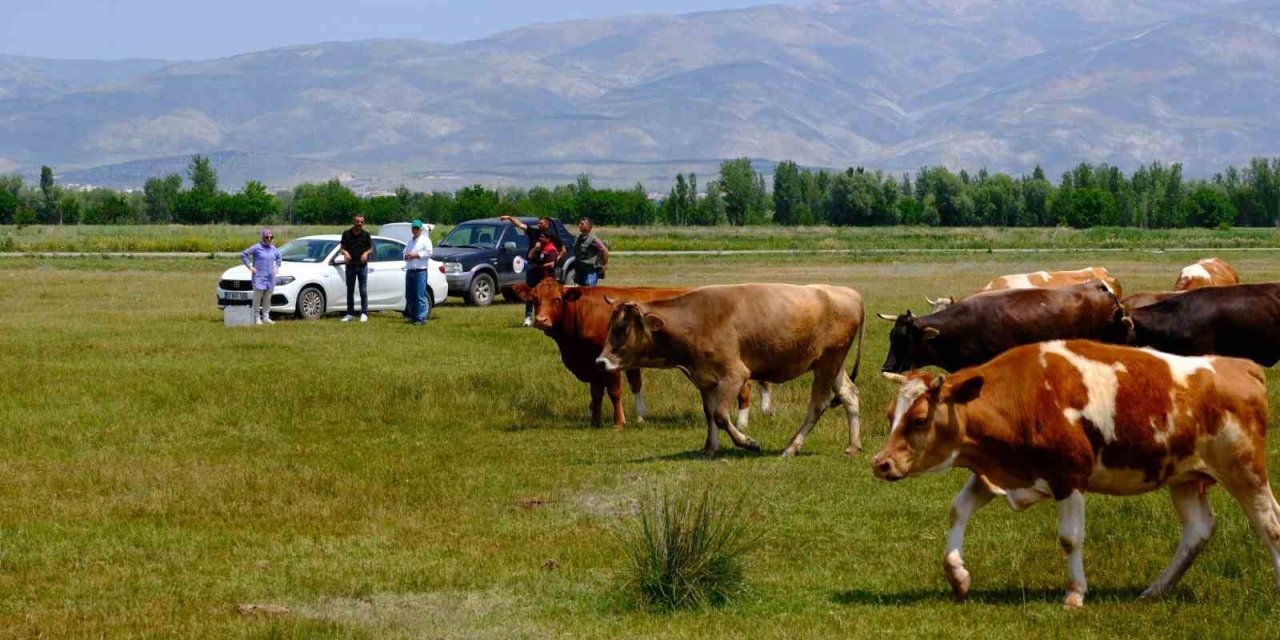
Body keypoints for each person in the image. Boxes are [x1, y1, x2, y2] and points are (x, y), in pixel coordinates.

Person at [499, 215, 561, 326]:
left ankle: (546, 317)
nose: (538, 225)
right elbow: (520, 225)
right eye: (538, 223)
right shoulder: (534, 232)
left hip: (545, 272)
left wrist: (554, 261)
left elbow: (563, 250)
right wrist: (509, 218)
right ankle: (528, 318)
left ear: (547, 224)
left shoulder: (553, 237)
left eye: (541, 223)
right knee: (530, 292)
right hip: (533, 268)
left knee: (545, 295)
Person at [240, 228, 282, 325]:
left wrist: (277, 266)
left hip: (270, 278)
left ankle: (266, 317)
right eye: (267, 237)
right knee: (257, 298)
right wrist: (250, 267)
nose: (269, 239)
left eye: (271, 237)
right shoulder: (256, 247)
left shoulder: (273, 248)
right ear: (263, 237)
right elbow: (244, 255)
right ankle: (256, 317)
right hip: (259, 278)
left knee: (267, 299)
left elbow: (279, 257)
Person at [339, 214, 373, 322]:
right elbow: (342, 248)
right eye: (358, 221)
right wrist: (346, 253)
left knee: (363, 290)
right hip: (350, 266)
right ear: (353, 221)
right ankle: (350, 313)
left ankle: (364, 313)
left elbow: (371, 248)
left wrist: (366, 253)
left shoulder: (366, 234)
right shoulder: (346, 234)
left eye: (362, 222)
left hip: (362, 266)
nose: (360, 224)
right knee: (350, 290)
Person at [402, 219, 433, 325]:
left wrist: (416, 255)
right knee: (410, 295)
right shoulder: (410, 241)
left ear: (420, 229)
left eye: (417, 228)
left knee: (420, 295)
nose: (415, 230)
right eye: (413, 228)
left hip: (420, 271)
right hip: (410, 271)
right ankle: (412, 316)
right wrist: (406, 256)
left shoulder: (425, 240)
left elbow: (429, 252)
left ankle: (421, 318)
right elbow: (404, 252)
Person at [571, 216, 609, 286]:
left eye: (582, 224)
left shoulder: (593, 240)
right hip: (579, 271)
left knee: (590, 292)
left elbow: (604, 251)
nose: (579, 225)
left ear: (588, 227)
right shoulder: (577, 238)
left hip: (590, 272)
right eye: (579, 223)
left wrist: (602, 266)